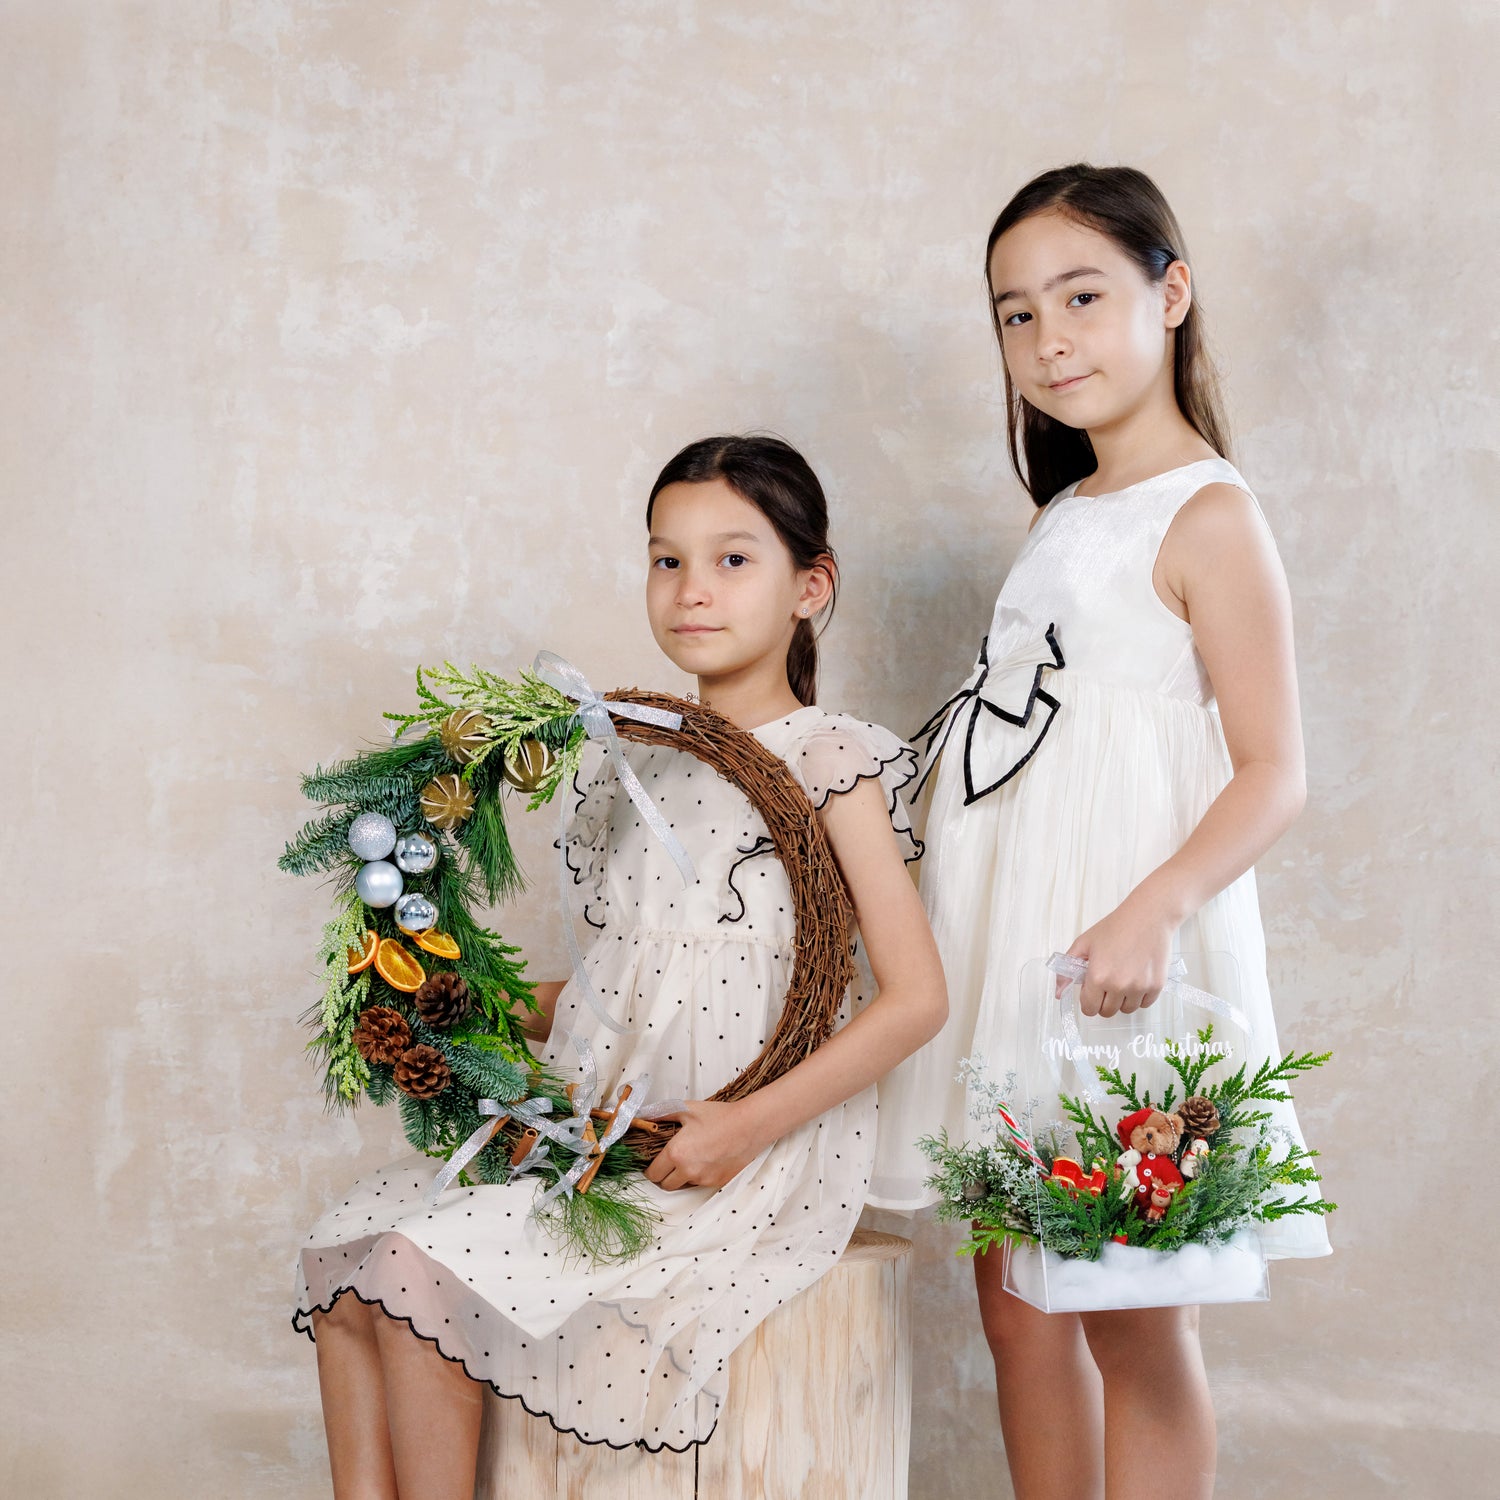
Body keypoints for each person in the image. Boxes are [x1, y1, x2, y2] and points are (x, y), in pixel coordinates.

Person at [294, 433, 947, 1498]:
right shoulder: (637, 762)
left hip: (739, 1149)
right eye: (667, 559)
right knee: (357, 1264)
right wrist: (464, 1002)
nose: (693, 589)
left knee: (418, 1272)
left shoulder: (830, 761)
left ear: (809, 586)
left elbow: (916, 999)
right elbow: (631, 980)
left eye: (734, 559)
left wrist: (746, 1124)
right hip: (601, 1129)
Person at [874, 164, 1332, 1499]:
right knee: (1016, 1298)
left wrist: (1152, 907)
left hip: (1115, 959)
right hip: (1011, 944)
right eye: (1016, 316)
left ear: (1170, 294)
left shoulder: (1211, 518)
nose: (1048, 338)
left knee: (1131, 1306)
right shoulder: (1064, 518)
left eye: (1082, 296)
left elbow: (1273, 770)